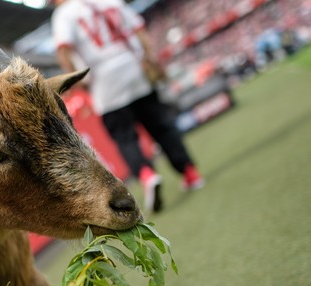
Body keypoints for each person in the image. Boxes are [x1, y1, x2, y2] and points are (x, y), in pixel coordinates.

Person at [51, 0, 204, 212]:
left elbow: (64, 50)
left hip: (104, 80)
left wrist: (75, 82)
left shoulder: (64, 14)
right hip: (133, 67)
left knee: (125, 136)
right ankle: (190, 173)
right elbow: (139, 30)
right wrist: (150, 59)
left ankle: (147, 175)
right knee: (161, 125)